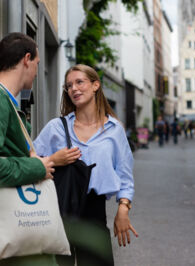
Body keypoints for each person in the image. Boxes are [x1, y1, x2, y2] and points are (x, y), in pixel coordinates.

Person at [33, 64, 138, 266]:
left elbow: (125, 175)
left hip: (94, 213)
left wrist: (123, 208)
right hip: (58, 211)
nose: (73, 88)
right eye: (69, 85)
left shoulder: (114, 130)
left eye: (79, 82)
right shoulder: (56, 127)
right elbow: (29, 162)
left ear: (95, 85)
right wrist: (54, 159)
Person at [0, 32, 56, 266]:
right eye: (37, 63)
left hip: (9, 227)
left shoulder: (4, 100)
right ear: (26, 59)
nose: (37, 72)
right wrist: (36, 167)